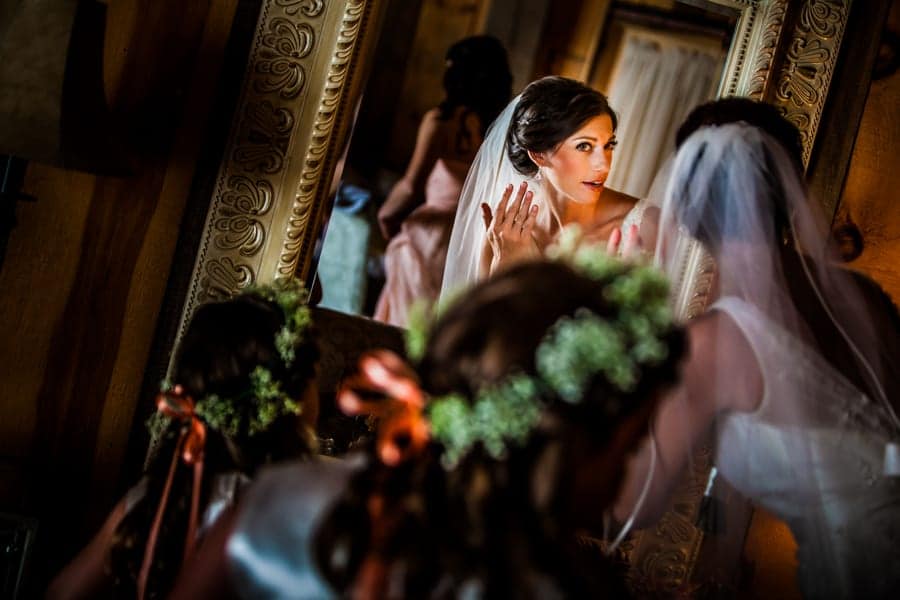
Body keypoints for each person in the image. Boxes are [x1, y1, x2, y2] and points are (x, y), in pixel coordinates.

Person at [169, 247, 686, 598]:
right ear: (563, 444)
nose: (624, 478)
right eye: (627, 449)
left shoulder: (280, 497)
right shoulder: (552, 585)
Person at [613, 98, 900, 598]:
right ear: (790, 192)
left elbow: (631, 507)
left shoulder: (714, 344)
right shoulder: (862, 297)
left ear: (688, 209)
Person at [47, 279, 320, 600]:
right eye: (313, 376)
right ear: (286, 397)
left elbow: (60, 593)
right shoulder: (273, 510)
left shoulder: (159, 492)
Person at [441, 75, 654, 299]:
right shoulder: (506, 235)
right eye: (584, 146)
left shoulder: (646, 226)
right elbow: (485, 321)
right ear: (539, 154)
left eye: (609, 145)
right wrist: (505, 272)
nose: (604, 164)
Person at [373, 35, 512, 327]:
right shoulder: (501, 131)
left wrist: (385, 215)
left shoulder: (440, 122)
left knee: (408, 326)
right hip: (470, 241)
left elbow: (411, 185)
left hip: (432, 240)